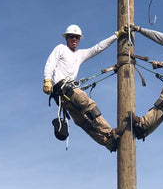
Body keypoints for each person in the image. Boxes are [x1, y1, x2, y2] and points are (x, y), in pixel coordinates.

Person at [43, 24, 126, 152]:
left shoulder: (79, 54)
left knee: (83, 121)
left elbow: (97, 48)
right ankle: (110, 132)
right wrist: (47, 80)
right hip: (63, 88)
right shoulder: (60, 48)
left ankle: (108, 142)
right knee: (89, 104)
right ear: (66, 38)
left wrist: (115, 36)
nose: (74, 40)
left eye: (77, 37)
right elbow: (50, 63)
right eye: (71, 37)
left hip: (66, 95)